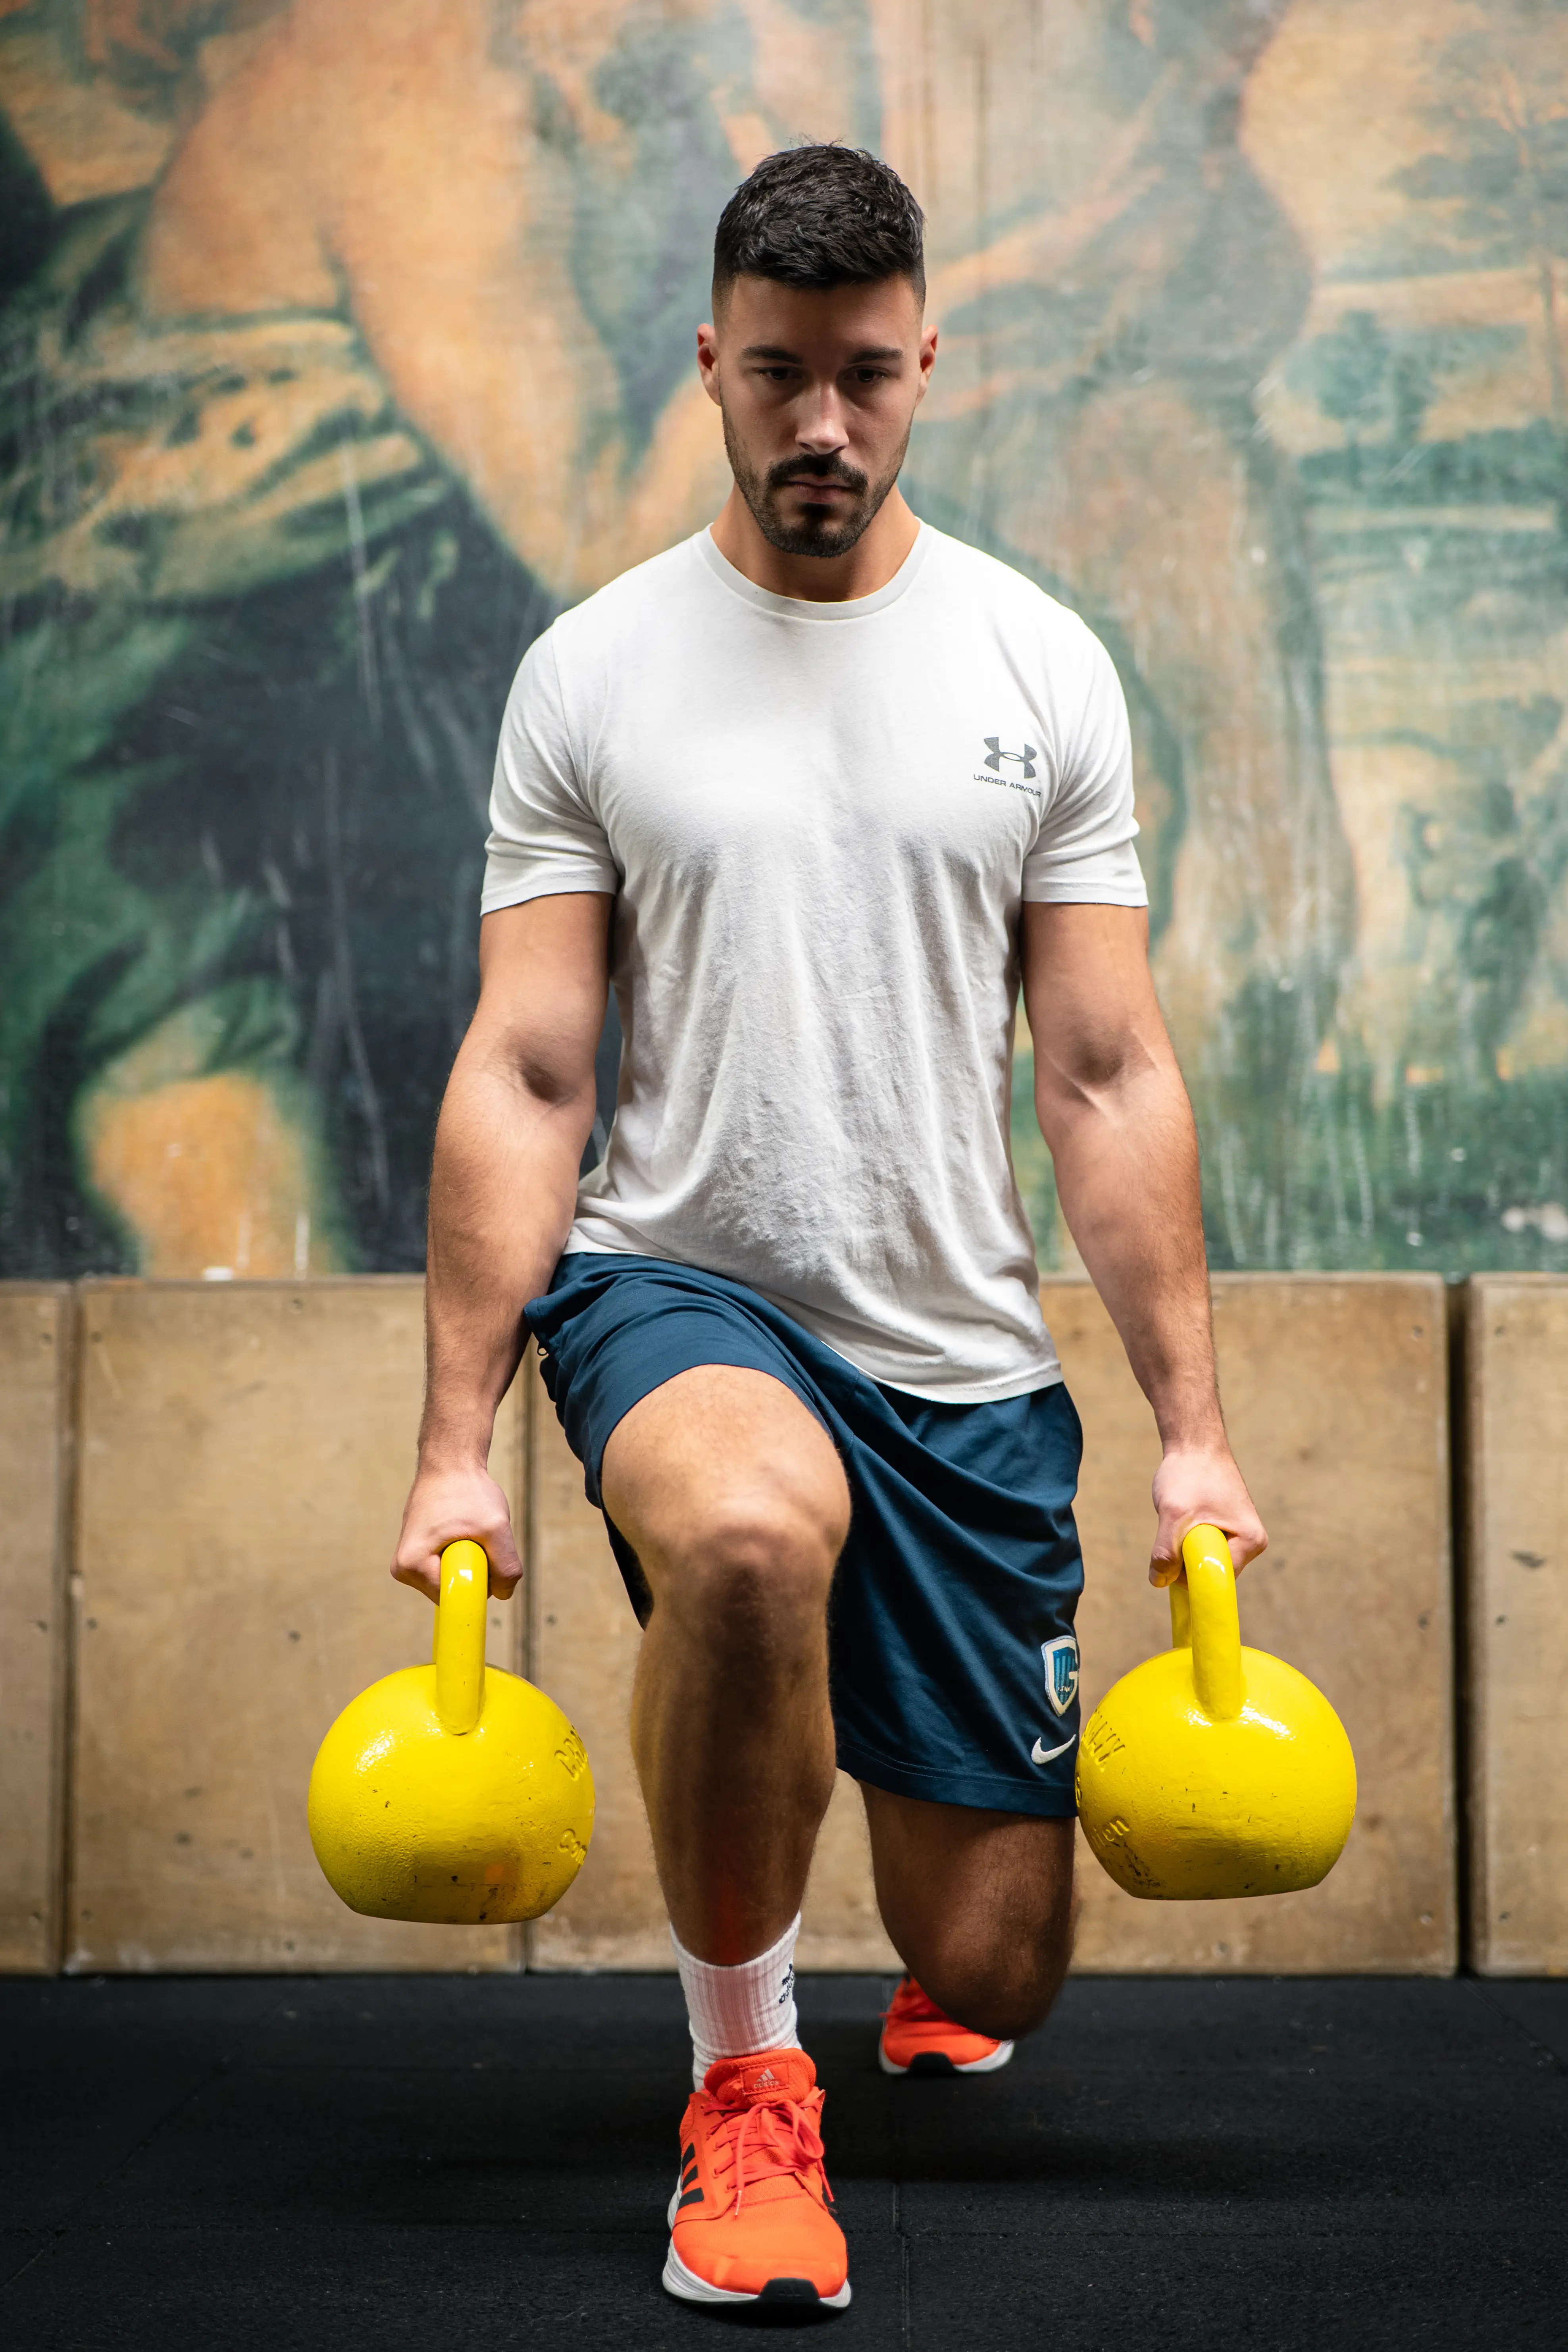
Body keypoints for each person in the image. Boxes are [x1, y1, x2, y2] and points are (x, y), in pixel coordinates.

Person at [393, 143, 1266, 2316]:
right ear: (709, 360)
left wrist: (1188, 1426)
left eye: (863, 378)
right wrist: (447, 1437)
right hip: (674, 1282)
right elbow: (524, 1067)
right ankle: (743, 2099)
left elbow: (1105, 1069)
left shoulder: (1035, 666)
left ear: (923, 366)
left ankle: (888, 1889)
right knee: (753, 1540)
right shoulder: (591, 672)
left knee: (992, 1970)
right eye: (775, 375)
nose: (818, 427)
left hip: (955, 1357)